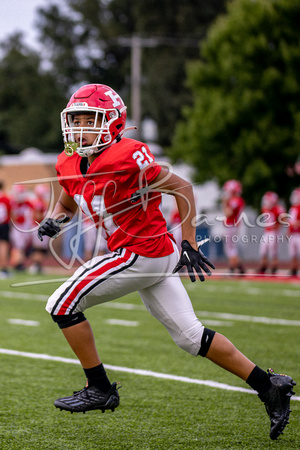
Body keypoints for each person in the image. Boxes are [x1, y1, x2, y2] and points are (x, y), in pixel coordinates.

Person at [37, 84, 295, 440]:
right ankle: (270, 386)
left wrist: (190, 239)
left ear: (112, 123)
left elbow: (182, 187)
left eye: (90, 120)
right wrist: (56, 220)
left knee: (61, 304)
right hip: (149, 254)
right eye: (76, 120)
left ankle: (99, 387)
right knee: (191, 337)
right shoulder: (69, 160)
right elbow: (68, 202)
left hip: (140, 253)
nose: (81, 129)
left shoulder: (127, 156)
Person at [257, 191, 286, 275]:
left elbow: (284, 220)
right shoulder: (265, 209)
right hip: (266, 232)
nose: (266, 202)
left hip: (274, 233)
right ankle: (263, 268)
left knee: (273, 253)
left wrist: (277, 226)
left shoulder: (278, 208)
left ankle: (274, 269)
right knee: (263, 251)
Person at [221, 180, 245, 274]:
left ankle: (232, 269)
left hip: (231, 226)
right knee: (231, 247)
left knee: (230, 248)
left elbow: (228, 213)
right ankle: (240, 267)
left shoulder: (235, 201)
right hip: (233, 225)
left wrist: (224, 203)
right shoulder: (237, 200)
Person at [287, 187, 300, 277]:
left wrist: (297, 224)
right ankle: (294, 269)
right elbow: (289, 221)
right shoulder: (292, 208)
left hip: (299, 233)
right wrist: (288, 230)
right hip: (292, 233)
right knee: (293, 253)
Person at [0, 181, 11, 278]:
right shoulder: (5, 198)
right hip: (3, 225)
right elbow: (10, 212)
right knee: (3, 247)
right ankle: (3, 269)